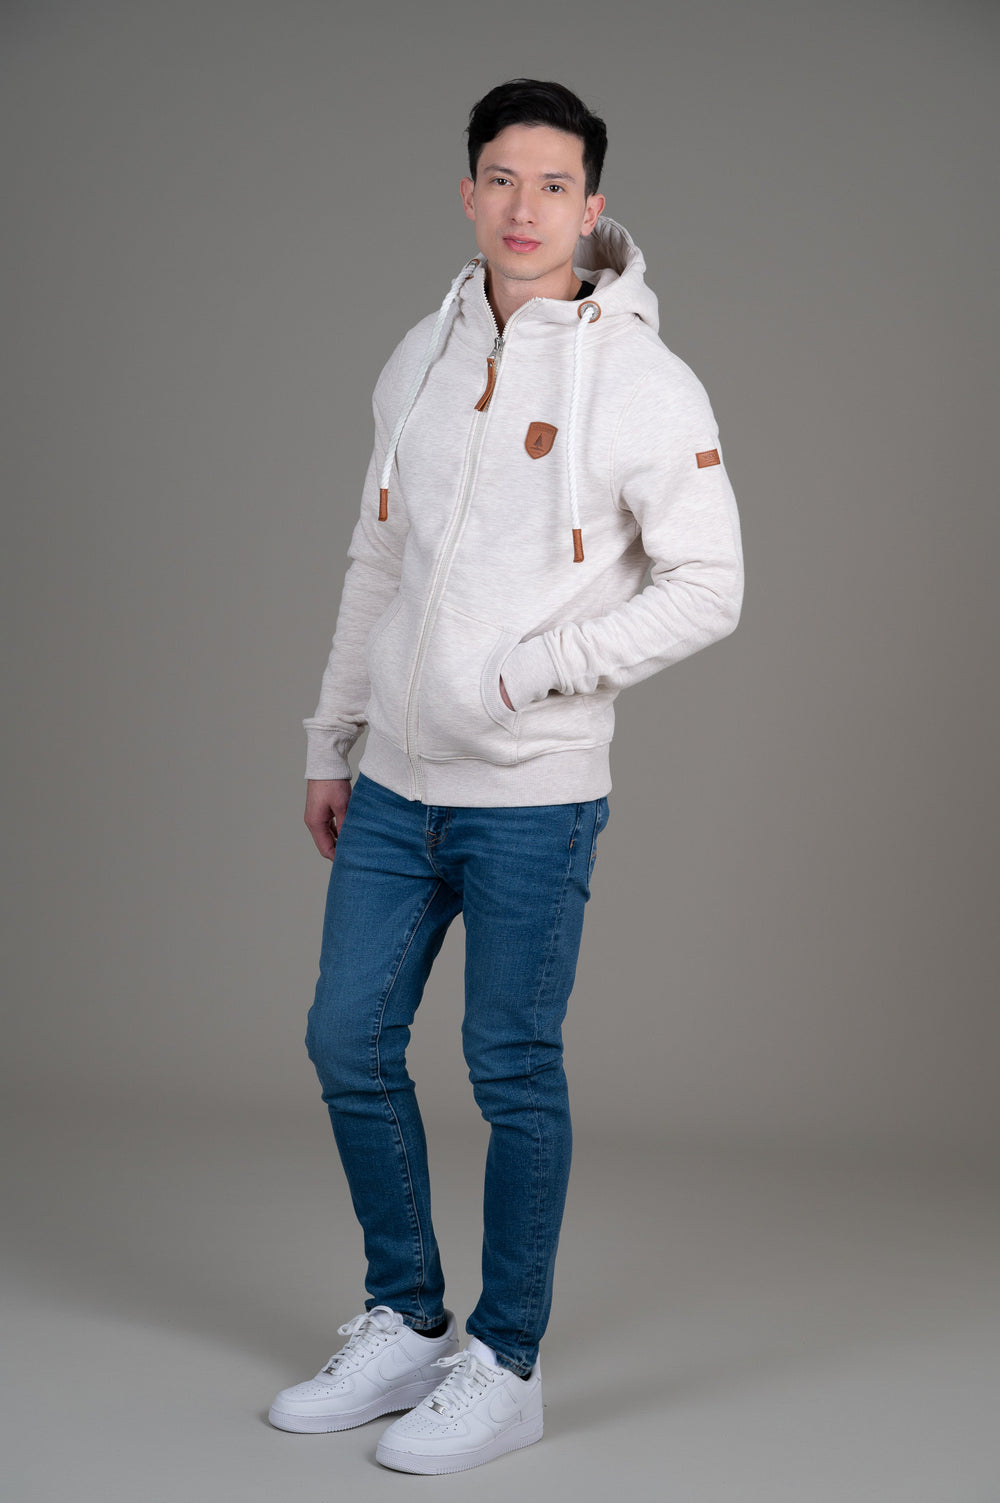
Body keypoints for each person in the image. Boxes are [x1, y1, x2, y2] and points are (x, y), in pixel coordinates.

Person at [268, 78, 744, 1475]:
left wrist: (526, 676)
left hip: (533, 796)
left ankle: (508, 1361)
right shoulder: (420, 354)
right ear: (467, 194)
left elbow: (711, 586)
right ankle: (408, 1316)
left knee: (509, 1070)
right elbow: (378, 556)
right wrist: (333, 736)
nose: (524, 208)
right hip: (396, 790)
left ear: (591, 207)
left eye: (552, 185)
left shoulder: (645, 382)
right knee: (345, 1042)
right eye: (500, 179)